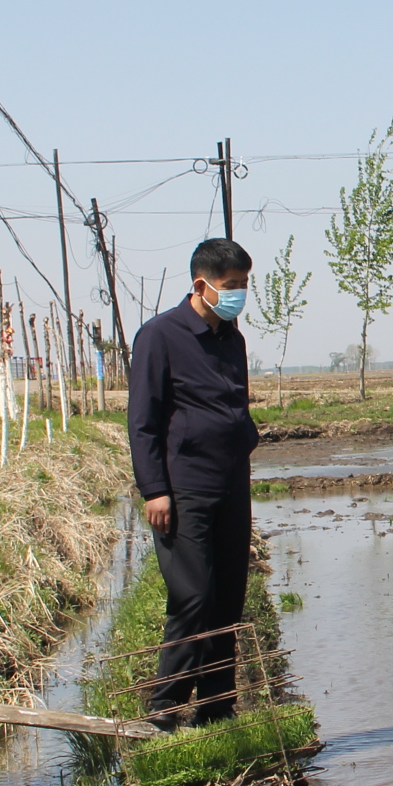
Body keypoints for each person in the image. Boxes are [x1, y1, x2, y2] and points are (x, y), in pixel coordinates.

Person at [128, 237, 258, 728]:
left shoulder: (232, 339)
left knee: (227, 597)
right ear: (201, 284)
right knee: (193, 597)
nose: (239, 294)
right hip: (185, 489)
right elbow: (142, 420)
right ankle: (164, 709)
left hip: (231, 484)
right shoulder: (160, 336)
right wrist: (154, 489)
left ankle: (217, 708)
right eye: (232, 286)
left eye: (244, 285)